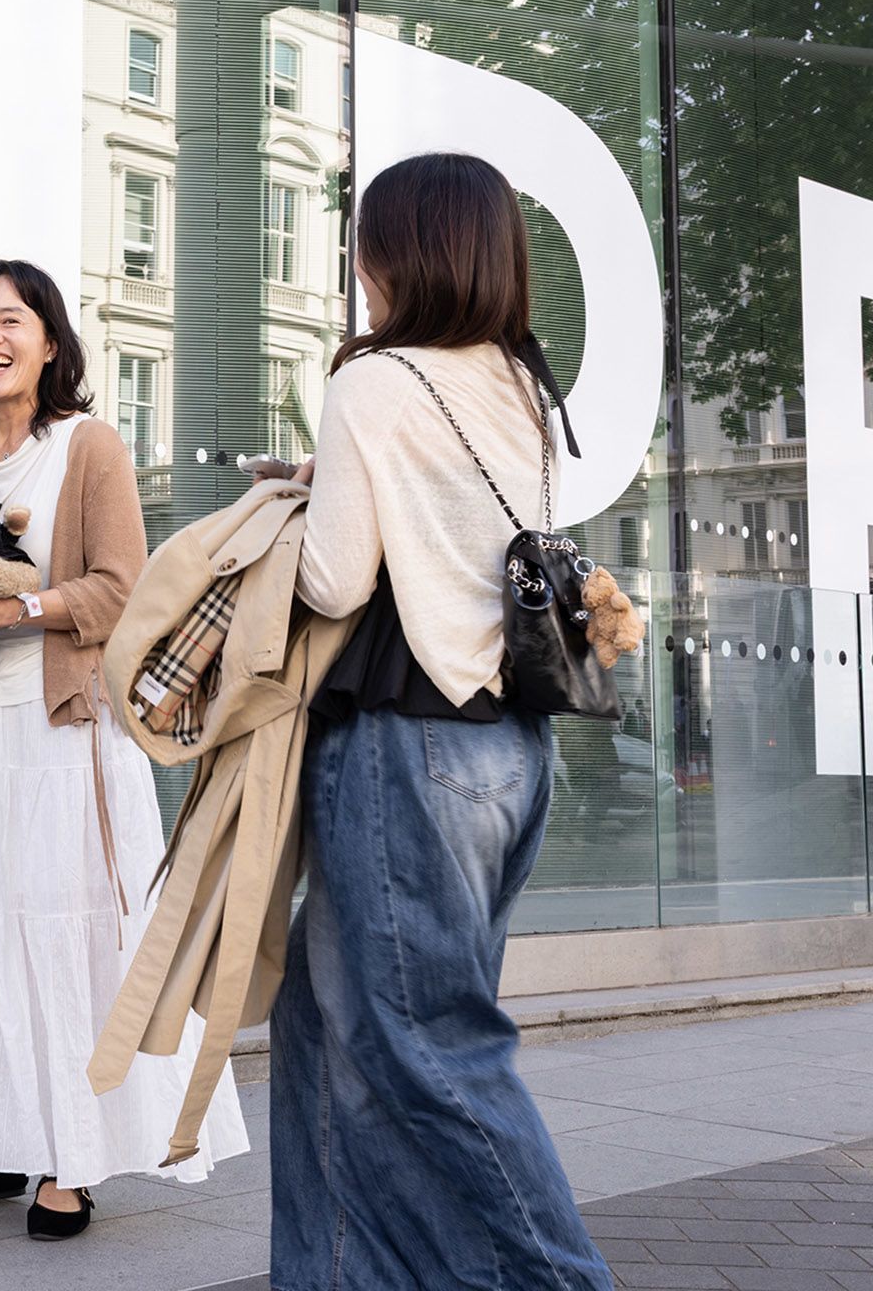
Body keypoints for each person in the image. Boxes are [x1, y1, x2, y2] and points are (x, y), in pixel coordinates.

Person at [270, 153, 612, 1288]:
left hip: (407, 746)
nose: (358, 266)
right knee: (331, 1032)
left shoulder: (375, 380)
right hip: (509, 748)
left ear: (398, 253)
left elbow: (333, 580)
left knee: (426, 1046)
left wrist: (291, 504)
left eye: (365, 244)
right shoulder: (523, 383)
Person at [0, 260, 248, 1241]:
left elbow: (124, 590)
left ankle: (69, 1163)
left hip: (66, 737)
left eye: (11, 320)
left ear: (47, 344)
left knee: (63, 938)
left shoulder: (89, 448)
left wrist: (14, 610)